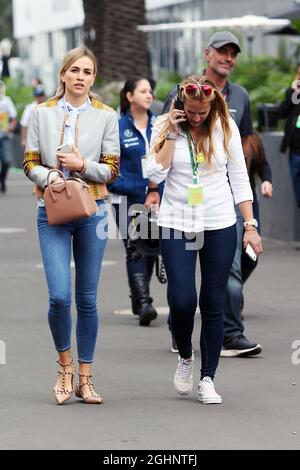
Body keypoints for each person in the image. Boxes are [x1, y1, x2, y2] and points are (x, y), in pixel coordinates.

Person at [147, 75, 262, 404]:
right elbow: (155, 174)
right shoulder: (164, 124)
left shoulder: (225, 126)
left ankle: (208, 378)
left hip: (219, 220)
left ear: (213, 106)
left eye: (203, 113)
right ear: (182, 102)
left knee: (213, 302)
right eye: (192, 111)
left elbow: (239, 177)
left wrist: (250, 224)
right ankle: (185, 356)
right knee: (182, 300)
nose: (197, 118)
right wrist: (170, 133)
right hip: (176, 221)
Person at [23, 47, 120, 405]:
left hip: (93, 210)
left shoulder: (106, 115)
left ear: (94, 78)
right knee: (60, 296)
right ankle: (64, 365)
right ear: (63, 74)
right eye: (75, 70)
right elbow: (29, 161)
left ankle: (85, 376)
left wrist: (81, 165)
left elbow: (112, 169)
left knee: (88, 299)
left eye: (88, 72)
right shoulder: (41, 113)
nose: (81, 77)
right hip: (51, 210)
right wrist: (48, 175)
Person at [108, 77, 159, 326]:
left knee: (150, 249)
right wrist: (139, 187)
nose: (149, 95)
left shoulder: (160, 125)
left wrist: (156, 189)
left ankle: (138, 298)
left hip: (156, 198)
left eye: (151, 91)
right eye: (143, 91)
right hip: (126, 199)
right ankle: (144, 301)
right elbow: (109, 171)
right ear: (129, 96)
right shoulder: (117, 128)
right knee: (136, 247)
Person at [278, 63, 300, 207]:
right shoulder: (294, 94)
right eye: (299, 74)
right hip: (296, 151)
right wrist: (294, 93)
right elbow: (281, 113)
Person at [0, 80, 17, 193]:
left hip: (4, 136)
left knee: (6, 161)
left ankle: (2, 179)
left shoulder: (6, 101)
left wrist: (11, 126)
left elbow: (14, 118)